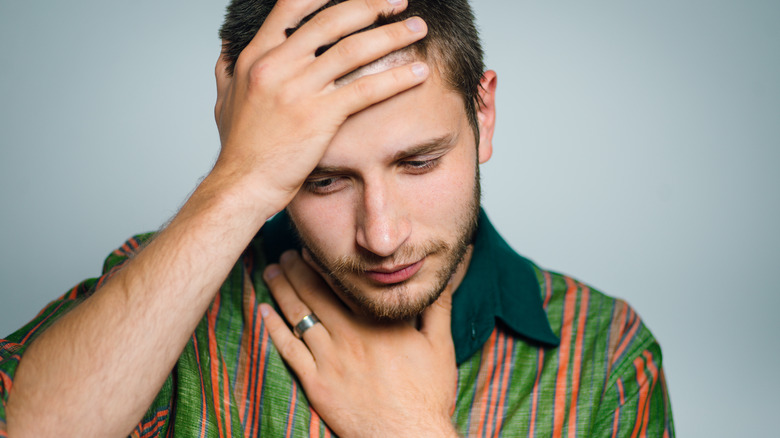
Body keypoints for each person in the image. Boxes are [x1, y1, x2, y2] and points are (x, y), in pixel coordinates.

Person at [0, 0, 674, 436]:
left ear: (483, 113)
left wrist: (409, 430)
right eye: (320, 179)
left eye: (417, 163)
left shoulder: (605, 357)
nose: (381, 237)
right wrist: (240, 179)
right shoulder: (167, 299)